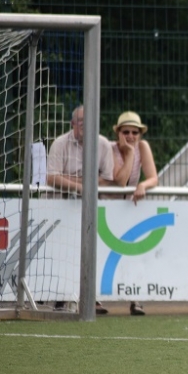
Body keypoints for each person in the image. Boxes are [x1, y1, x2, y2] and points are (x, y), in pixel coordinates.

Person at [47, 105, 117, 314]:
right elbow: (51, 177)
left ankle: (90, 297)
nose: (85, 127)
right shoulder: (60, 143)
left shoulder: (103, 144)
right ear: (72, 124)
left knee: (91, 250)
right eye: (81, 123)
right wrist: (82, 186)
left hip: (90, 208)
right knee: (62, 251)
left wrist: (76, 182)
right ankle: (61, 297)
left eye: (90, 123)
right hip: (60, 206)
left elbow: (107, 179)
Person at [110, 111, 160, 316]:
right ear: (118, 133)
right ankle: (94, 299)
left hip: (130, 207)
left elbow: (153, 177)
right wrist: (129, 153)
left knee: (132, 251)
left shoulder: (143, 146)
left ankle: (135, 298)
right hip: (107, 206)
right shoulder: (110, 148)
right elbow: (120, 181)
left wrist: (142, 185)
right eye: (126, 132)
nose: (131, 136)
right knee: (103, 251)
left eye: (135, 132)